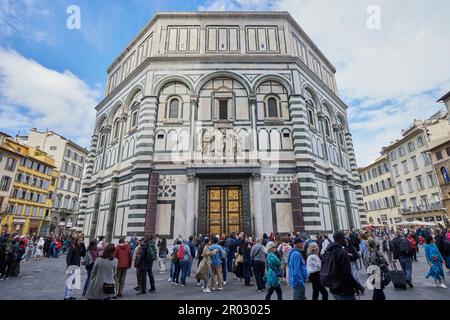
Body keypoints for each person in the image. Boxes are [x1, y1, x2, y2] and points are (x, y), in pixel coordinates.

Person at [321, 231, 365, 300]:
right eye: (344, 238)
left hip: (333, 289)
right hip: (344, 290)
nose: (345, 240)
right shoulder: (342, 253)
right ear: (341, 239)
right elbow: (347, 275)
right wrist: (358, 286)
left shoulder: (327, 251)